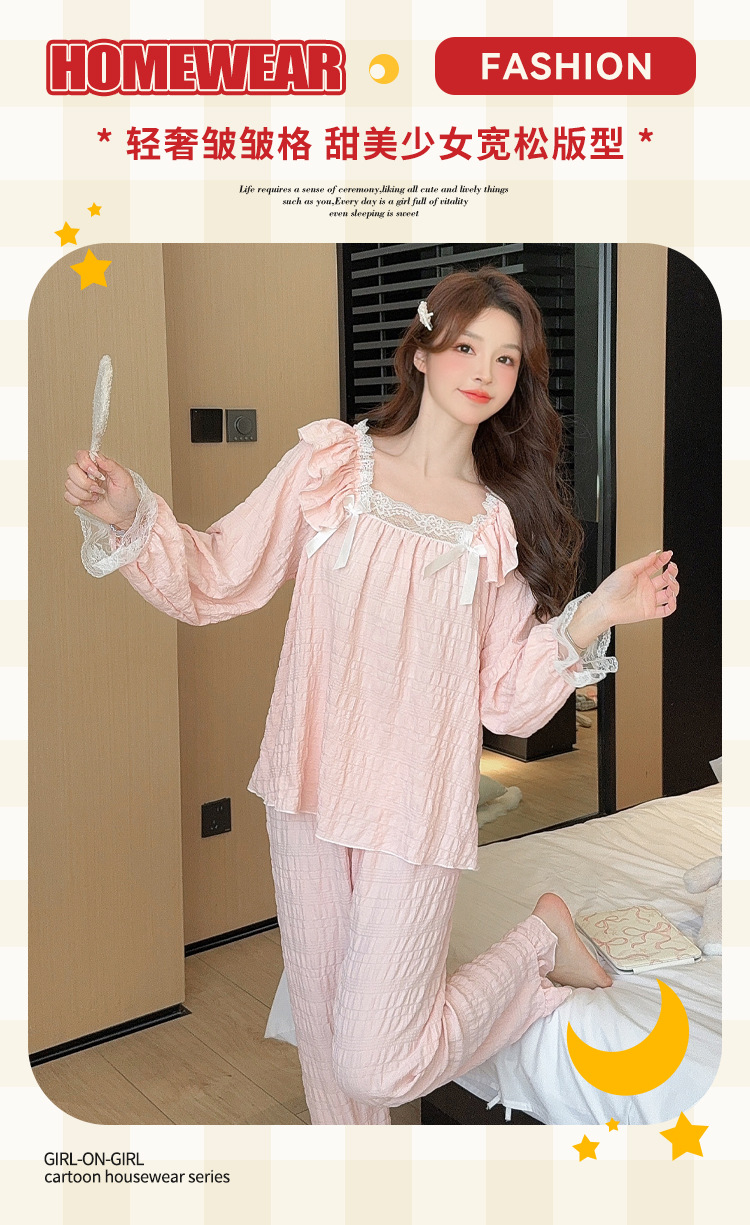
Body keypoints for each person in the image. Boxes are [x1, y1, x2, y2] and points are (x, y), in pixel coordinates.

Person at [64, 266, 679, 1125]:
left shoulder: (494, 525)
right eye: (466, 346)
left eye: (506, 359)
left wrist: (597, 613)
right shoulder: (329, 466)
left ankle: (542, 941)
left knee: (378, 1059)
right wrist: (132, 512)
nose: (484, 370)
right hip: (309, 786)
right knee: (326, 1042)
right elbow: (216, 575)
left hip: (413, 808)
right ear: (422, 350)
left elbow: (507, 701)